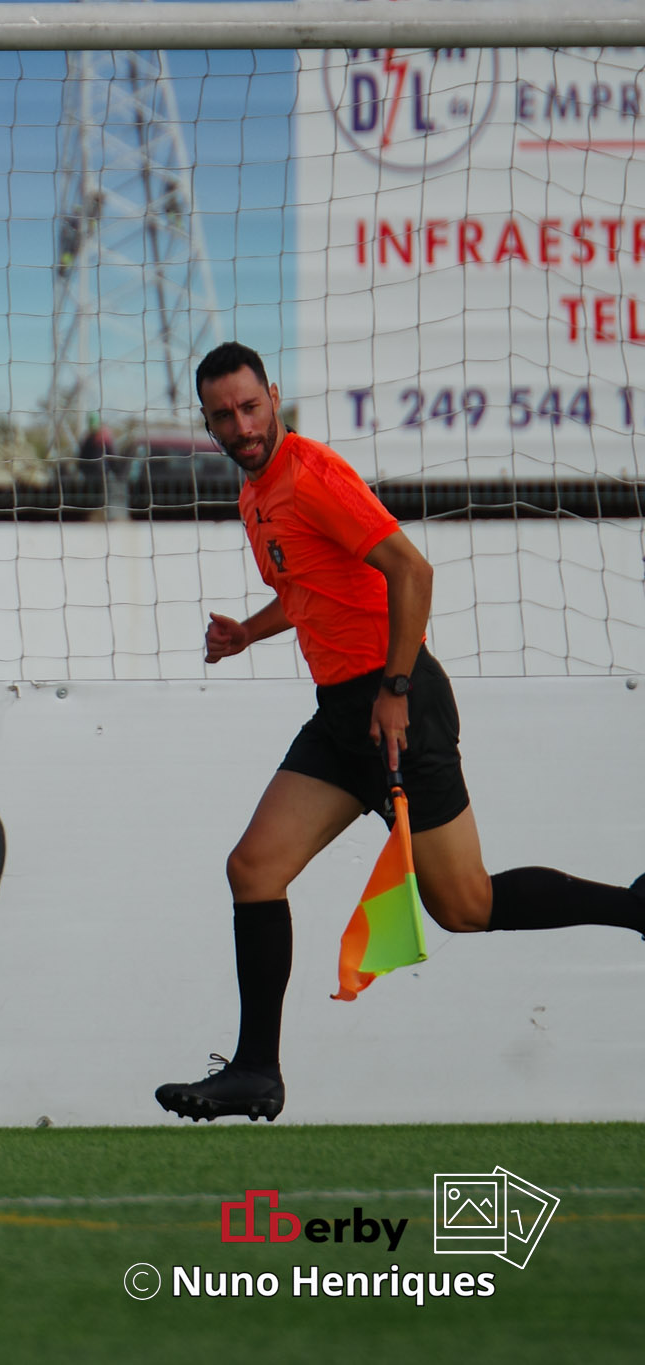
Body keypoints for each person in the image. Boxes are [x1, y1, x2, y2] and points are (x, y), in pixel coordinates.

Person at [155, 341, 644, 1122]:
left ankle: (638, 909)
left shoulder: (312, 475)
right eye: (223, 414)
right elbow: (313, 586)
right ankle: (256, 1070)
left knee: (466, 905)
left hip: (399, 704)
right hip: (343, 715)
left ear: (273, 396)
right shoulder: (256, 493)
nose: (241, 424)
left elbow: (411, 571)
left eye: (250, 406)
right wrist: (247, 631)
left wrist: (395, 688)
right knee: (253, 868)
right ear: (207, 421)